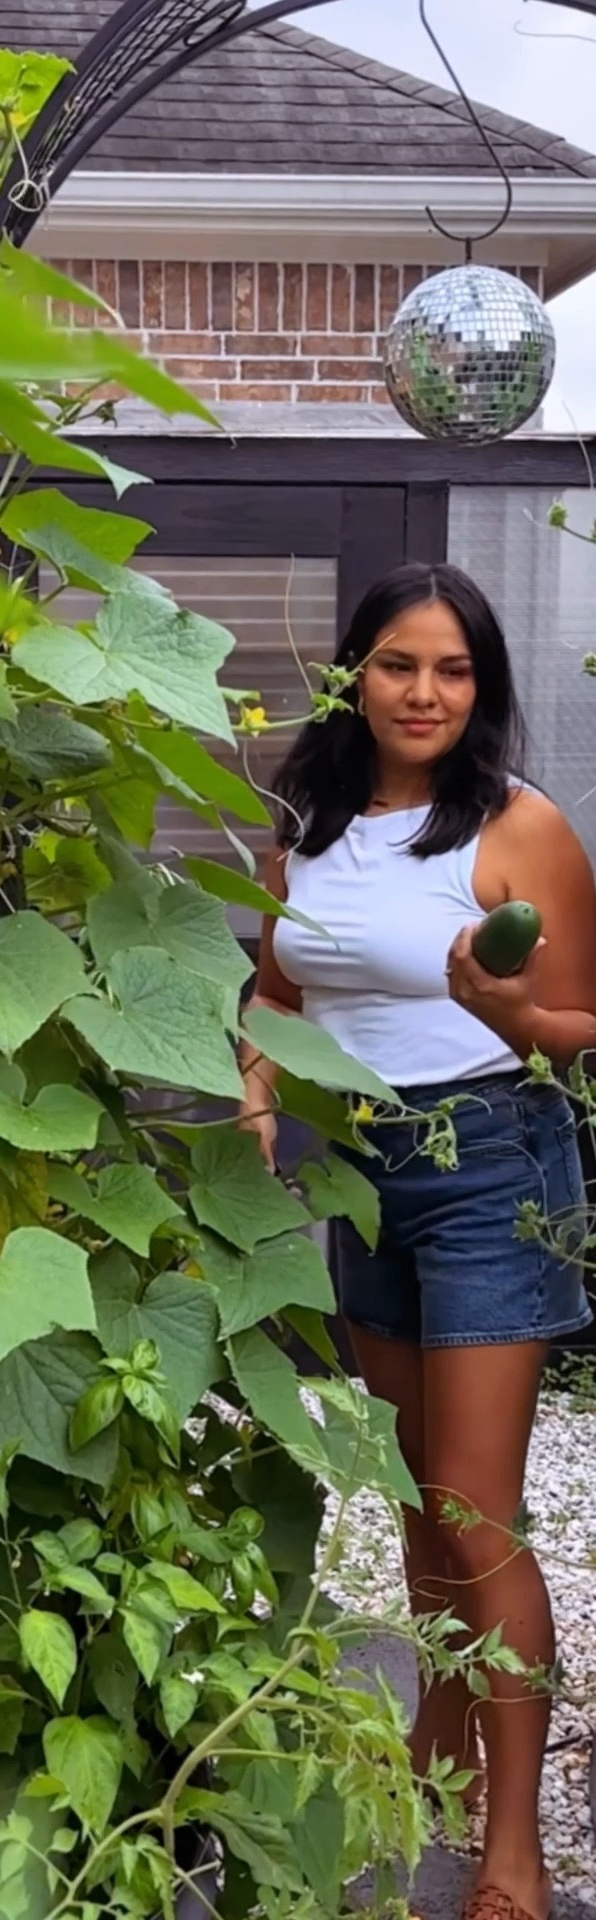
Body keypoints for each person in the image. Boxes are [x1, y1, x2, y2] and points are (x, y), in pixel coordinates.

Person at [239, 562, 596, 1920]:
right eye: (399, 664)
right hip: (365, 1167)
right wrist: (260, 1087)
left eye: (453, 670)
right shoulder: (311, 824)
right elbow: (280, 977)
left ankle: (517, 1851)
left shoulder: (519, 829)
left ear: (482, 688)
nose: (425, 692)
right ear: (353, 674)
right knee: (406, 1502)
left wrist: (504, 1015)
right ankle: (435, 1751)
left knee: (474, 1508)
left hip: (489, 1158)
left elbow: (583, 1026)